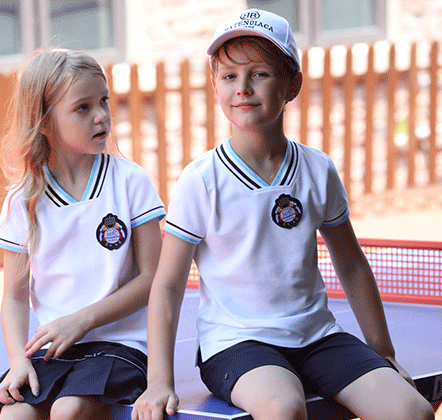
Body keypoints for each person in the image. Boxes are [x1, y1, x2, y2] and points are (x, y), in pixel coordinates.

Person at [132, 9, 434, 420]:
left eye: (259, 74)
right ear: (216, 85)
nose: (243, 88)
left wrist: (383, 352)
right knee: (282, 407)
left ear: (293, 84)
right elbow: (167, 286)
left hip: (318, 337)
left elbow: (352, 265)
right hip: (236, 344)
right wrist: (159, 381)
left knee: (413, 410)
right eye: (229, 76)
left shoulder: (317, 169)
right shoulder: (200, 179)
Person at [0, 48, 165, 420]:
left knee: (69, 411)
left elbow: (153, 278)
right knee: (15, 416)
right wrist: (19, 361)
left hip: (121, 346)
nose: (101, 115)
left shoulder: (130, 181)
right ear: (44, 122)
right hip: (54, 350)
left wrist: (82, 320)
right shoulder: (23, 199)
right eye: (82, 108)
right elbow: (14, 297)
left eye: (103, 101)